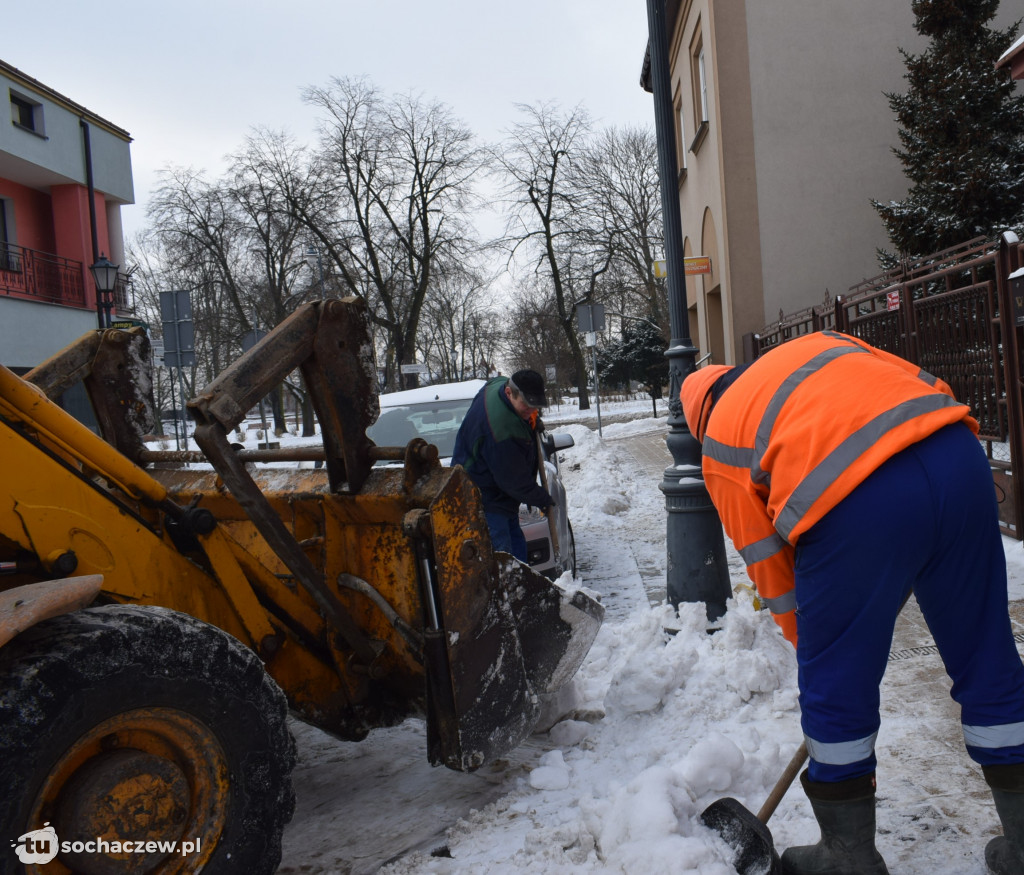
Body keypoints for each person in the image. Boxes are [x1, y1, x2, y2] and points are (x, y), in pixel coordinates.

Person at [679, 329, 1024, 875]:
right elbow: (917, 380)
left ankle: (847, 855)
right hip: (956, 455)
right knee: (987, 652)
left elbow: (772, 570)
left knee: (836, 684)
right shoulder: (818, 344)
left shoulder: (720, 440)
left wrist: (821, 643)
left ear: (697, 418)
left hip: (857, 499)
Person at [452, 369, 552, 563]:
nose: (530, 409)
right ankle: (506, 593)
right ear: (509, 393)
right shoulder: (502, 430)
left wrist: (532, 420)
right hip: (485, 500)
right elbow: (514, 481)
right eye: (526, 405)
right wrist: (543, 499)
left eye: (535, 406)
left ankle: (521, 588)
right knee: (505, 563)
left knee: (518, 556)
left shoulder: (498, 383)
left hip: (500, 497)